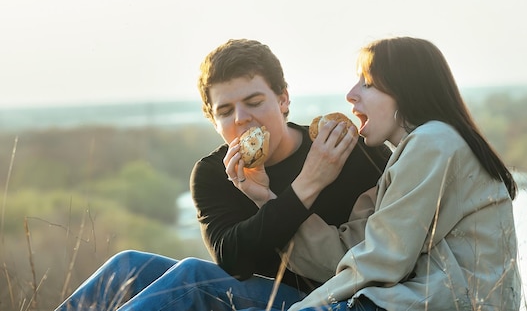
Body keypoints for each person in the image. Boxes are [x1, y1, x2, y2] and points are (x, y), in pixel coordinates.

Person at [54, 39, 390, 311]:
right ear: (213, 121)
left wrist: (314, 175)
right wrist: (307, 184)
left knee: (191, 275)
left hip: (336, 300)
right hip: (252, 293)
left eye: (255, 101)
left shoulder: (343, 146)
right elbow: (235, 261)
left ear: (283, 99)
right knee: (127, 264)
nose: (242, 118)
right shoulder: (214, 173)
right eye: (225, 111)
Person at [282, 37, 521, 311]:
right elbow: (356, 249)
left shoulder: (432, 142)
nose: (351, 94)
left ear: (406, 90)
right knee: (220, 283)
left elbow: (383, 259)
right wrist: (267, 201)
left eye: (368, 83)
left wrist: (303, 308)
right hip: (417, 300)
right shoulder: (427, 145)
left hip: (441, 303)